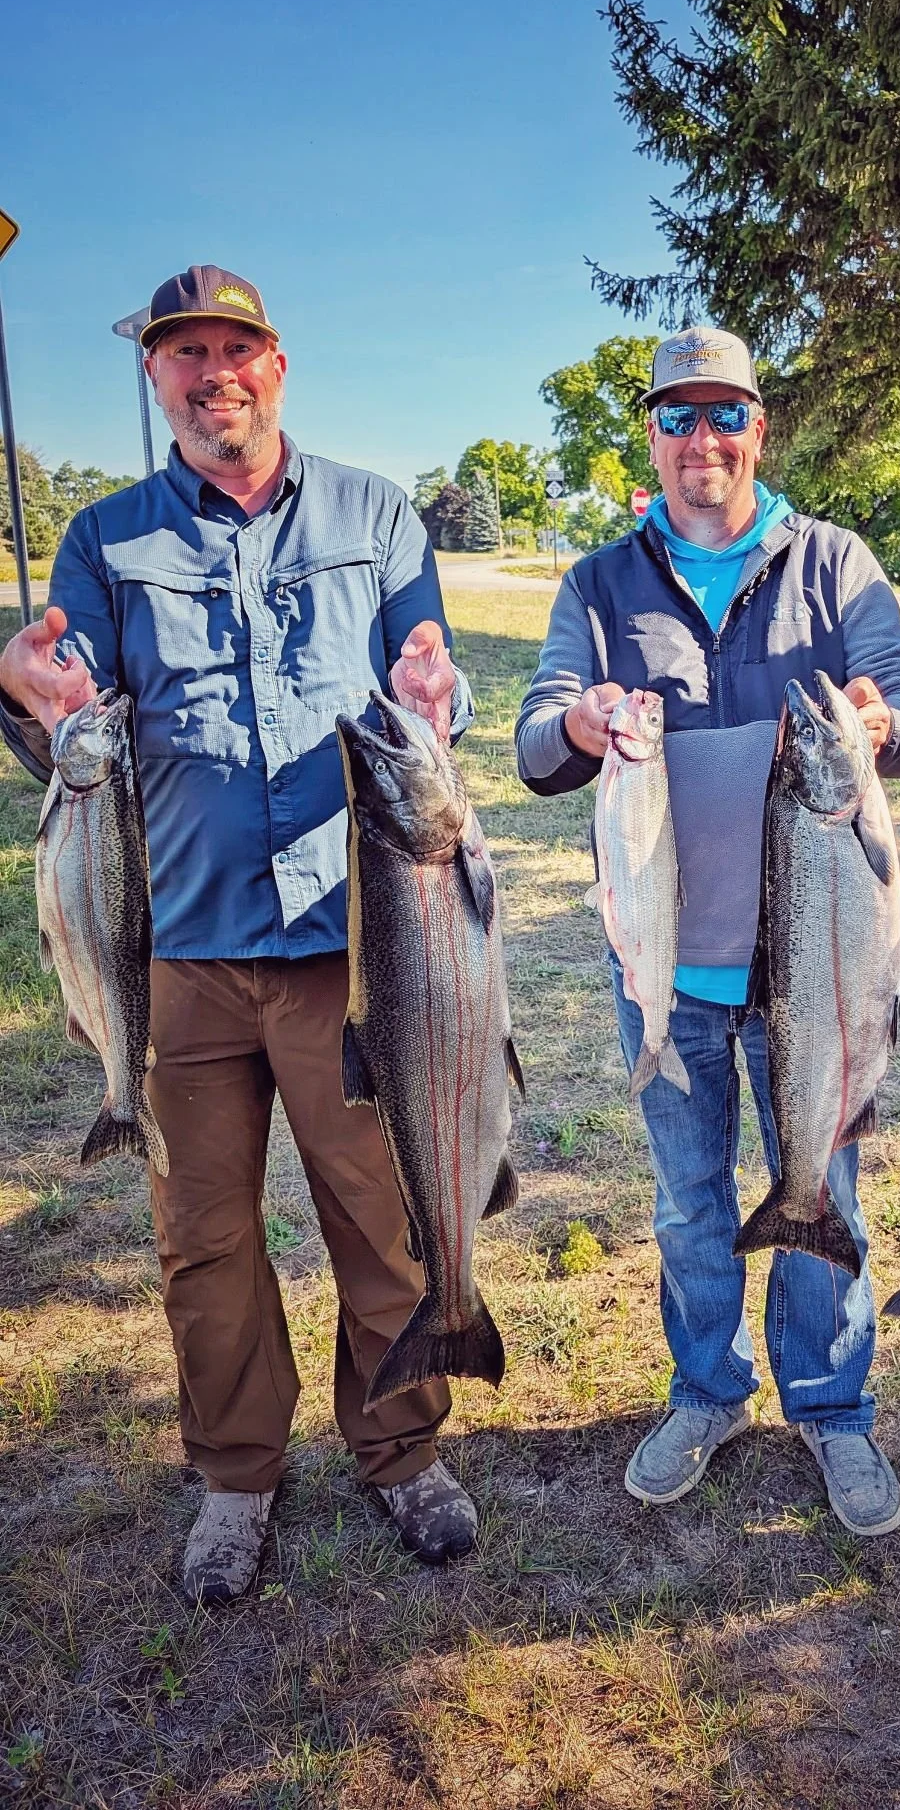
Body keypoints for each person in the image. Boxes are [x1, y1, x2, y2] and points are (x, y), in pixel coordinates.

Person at [0, 265, 481, 1603]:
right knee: (202, 1236)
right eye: (186, 355)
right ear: (156, 378)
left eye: (236, 350)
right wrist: (22, 687)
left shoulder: (377, 515)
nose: (215, 374)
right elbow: (62, 695)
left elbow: (421, 671)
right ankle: (234, 1475)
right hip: (179, 958)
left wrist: (436, 686)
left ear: (278, 364)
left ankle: (399, 1449)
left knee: (379, 1218)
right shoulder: (104, 537)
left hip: (351, 939)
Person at [515, 327, 900, 1536]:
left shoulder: (835, 561)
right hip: (670, 970)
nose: (705, 439)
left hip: (816, 963)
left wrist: (878, 715)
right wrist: (584, 719)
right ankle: (706, 1390)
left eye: (727, 414)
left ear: (762, 427)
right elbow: (538, 735)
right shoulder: (601, 581)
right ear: (650, 436)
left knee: (827, 1187)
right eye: (679, 416)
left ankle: (833, 1403)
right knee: (690, 1200)